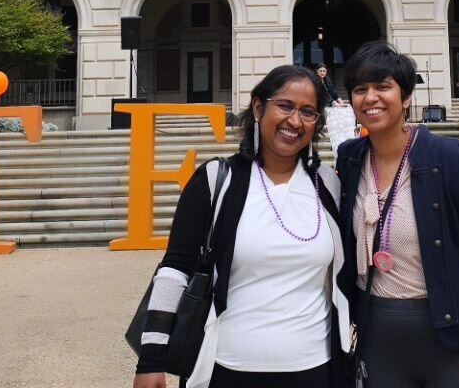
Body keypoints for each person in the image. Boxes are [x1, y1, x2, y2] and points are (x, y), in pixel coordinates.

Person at [132, 65, 351, 388]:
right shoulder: (216, 180)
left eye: (308, 112)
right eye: (285, 106)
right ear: (259, 108)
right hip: (226, 367)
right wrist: (151, 359)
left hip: (315, 368)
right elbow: (175, 270)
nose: (295, 121)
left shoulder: (328, 185)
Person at [336, 42, 459, 388]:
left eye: (383, 87)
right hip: (377, 334)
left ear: (407, 96)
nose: (371, 98)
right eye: (360, 89)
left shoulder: (452, 158)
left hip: (447, 336)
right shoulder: (350, 158)